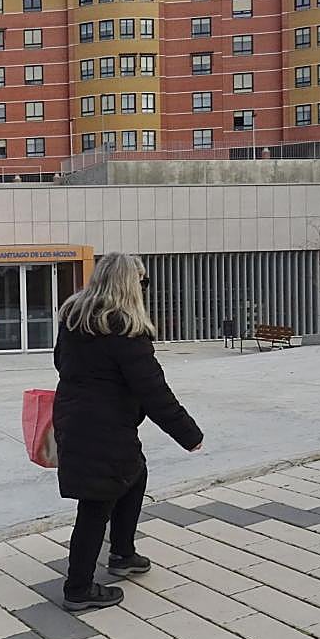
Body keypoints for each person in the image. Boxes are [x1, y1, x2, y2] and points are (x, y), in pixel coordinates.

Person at [53, 252, 202, 612]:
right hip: (104, 429)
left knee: (134, 475)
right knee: (96, 503)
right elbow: (154, 391)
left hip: (75, 420)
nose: (145, 287)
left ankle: (122, 553)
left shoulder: (75, 319)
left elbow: (61, 362)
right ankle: (79, 588)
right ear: (128, 284)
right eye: (143, 281)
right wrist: (189, 434)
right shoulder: (124, 331)